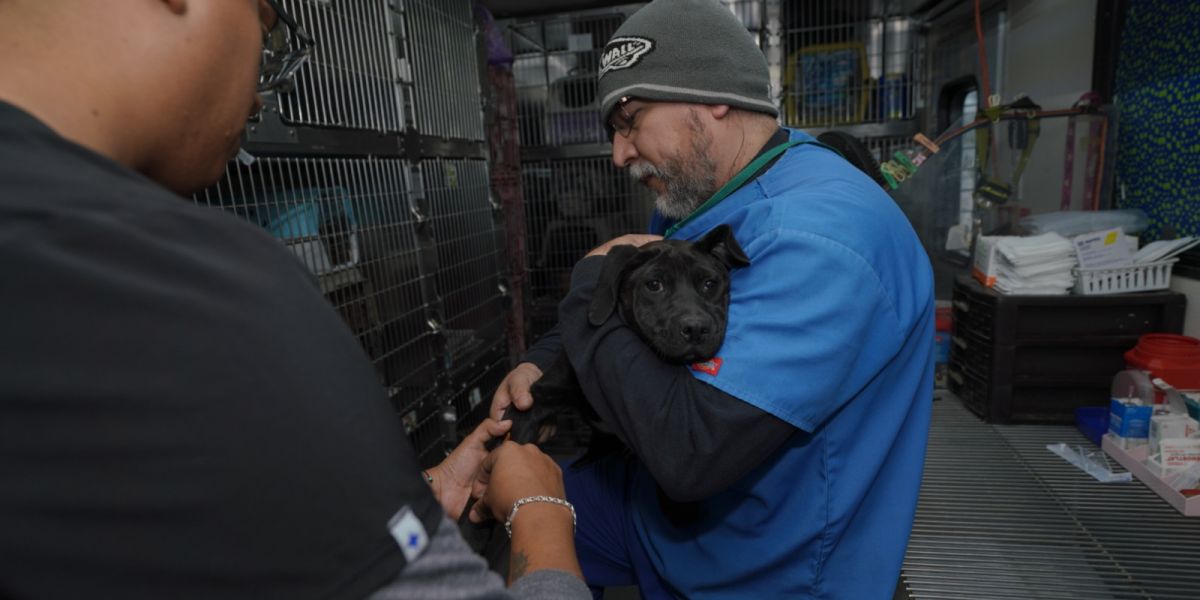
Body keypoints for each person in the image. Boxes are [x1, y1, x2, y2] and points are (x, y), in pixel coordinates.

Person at [0, 1, 588, 598]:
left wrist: (416, 490)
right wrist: (539, 509)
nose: (260, 97)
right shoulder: (196, 285)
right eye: (264, 21)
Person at [490, 0, 935, 597]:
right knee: (495, 497)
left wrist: (586, 289)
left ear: (712, 96)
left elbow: (689, 453)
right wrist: (539, 364)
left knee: (529, 513)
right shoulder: (710, 191)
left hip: (763, 565)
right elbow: (628, 301)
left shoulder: (822, 237)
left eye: (631, 118)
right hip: (669, 520)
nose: (619, 153)